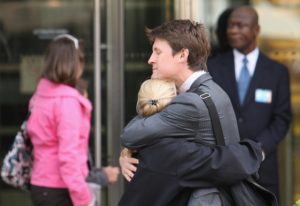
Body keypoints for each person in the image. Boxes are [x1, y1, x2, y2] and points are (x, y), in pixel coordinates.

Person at [119, 19, 265, 206]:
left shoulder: (190, 104)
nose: (151, 60)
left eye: (158, 52)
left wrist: (150, 106)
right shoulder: (212, 90)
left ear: (182, 55)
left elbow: (130, 136)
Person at [207, 5, 292, 200]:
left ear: (256, 30)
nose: (233, 30)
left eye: (240, 25)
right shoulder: (212, 67)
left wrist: (258, 150)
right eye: (230, 26)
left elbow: (282, 119)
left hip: (262, 168)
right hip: (222, 165)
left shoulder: (277, 72)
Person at [26, 34, 109, 206]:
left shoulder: (40, 95)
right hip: (61, 189)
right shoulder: (67, 101)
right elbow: (68, 157)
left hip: (41, 185)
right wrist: (84, 199)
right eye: (81, 59)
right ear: (74, 62)